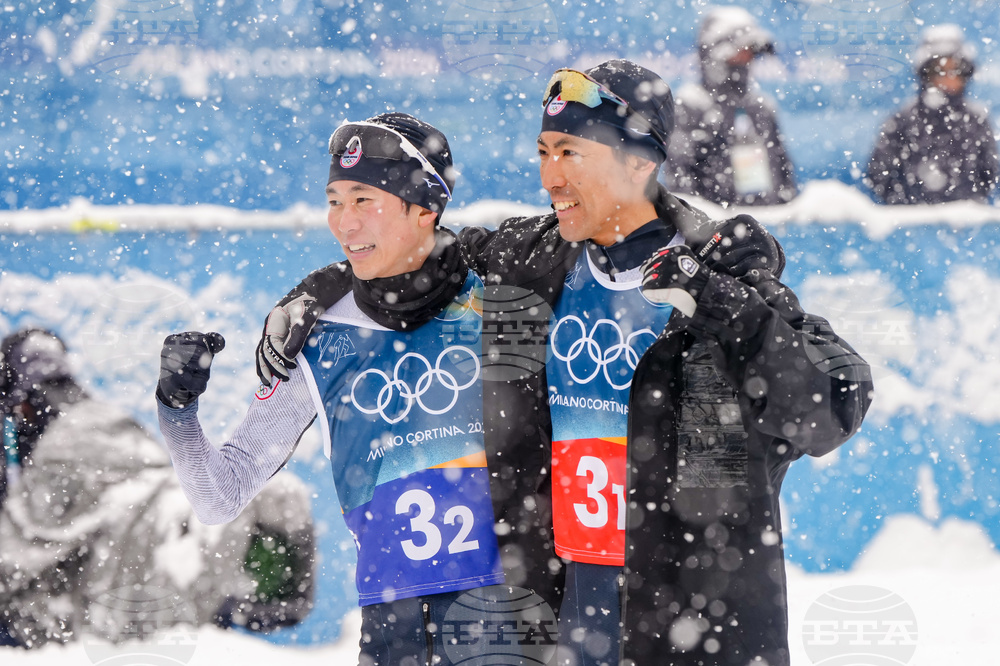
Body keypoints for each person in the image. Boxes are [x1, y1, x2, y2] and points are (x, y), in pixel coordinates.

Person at [257, 60, 873, 665]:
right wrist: (315, 294)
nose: (550, 176)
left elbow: (833, 406)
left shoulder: (719, 274)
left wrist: (725, 306)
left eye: (571, 153)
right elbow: (410, 256)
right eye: (544, 151)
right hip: (571, 616)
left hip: (695, 621)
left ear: (640, 163)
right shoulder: (535, 260)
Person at [158, 112, 560, 666]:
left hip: (515, 616)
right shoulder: (317, 334)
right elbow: (218, 496)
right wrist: (177, 408)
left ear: (426, 209)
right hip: (393, 633)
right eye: (334, 201)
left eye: (364, 200)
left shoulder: (503, 299)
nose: (343, 223)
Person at [0, 327, 315, 648]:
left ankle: (226, 583)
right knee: (273, 500)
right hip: (198, 534)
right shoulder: (111, 422)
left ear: (23, 406)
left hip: (153, 577)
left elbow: (18, 562)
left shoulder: (54, 453)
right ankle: (238, 587)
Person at [666, 6, 797, 207]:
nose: (746, 60)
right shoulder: (691, 106)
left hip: (767, 228)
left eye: (751, 53)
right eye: (739, 52)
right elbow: (681, 184)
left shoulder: (762, 107)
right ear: (714, 54)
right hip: (716, 231)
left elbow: (784, 177)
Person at [865, 24, 998, 204]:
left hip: (965, 225)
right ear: (925, 73)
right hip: (912, 225)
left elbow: (990, 176)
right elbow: (880, 177)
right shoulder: (901, 121)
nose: (949, 78)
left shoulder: (977, 120)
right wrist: (909, 210)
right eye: (940, 70)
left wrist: (966, 209)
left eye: (956, 70)